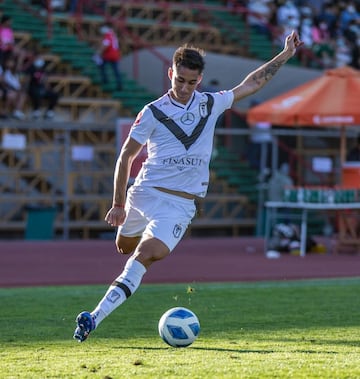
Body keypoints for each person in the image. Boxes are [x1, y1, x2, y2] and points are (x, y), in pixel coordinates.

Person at [73, 30, 303, 342]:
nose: (183, 87)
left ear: (200, 79)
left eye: (191, 82)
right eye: (179, 79)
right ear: (171, 73)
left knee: (146, 254)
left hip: (181, 205)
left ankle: (93, 317)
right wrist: (117, 204)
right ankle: (129, 236)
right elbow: (126, 156)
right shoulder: (152, 112)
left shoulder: (211, 103)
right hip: (144, 193)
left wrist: (285, 54)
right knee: (123, 246)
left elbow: (251, 83)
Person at [95, 23, 122, 90]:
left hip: (109, 55)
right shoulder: (113, 35)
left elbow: (105, 45)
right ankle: (119, 84)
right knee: (116, 70)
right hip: (115, 55)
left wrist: (98, 53)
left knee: (101, 65)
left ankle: (105, 80)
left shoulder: (108, 35)